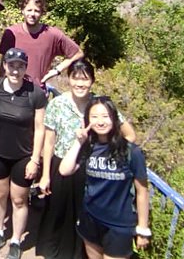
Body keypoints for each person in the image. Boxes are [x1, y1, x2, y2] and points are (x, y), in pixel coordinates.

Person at [36, 60, 137, 259]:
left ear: (92, 81)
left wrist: (110, 152)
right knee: (57, 212)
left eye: (85, 79)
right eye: (76, 78)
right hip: (61, 164)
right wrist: (45, 174)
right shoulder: (58, 104)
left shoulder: (100, 105)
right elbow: (49, 142)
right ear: (69, 79)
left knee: (84, 216)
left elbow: (129, 134)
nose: (80, 84)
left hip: (91, 167)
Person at [60, 97, 150, 259]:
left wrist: (142, 229)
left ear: (115, 118)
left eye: (105, 116)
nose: (100, 122)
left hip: (119, 225)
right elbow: (65, 170)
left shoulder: (131, 152)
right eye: (94, 117)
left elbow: (142, 191)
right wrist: (79, 142)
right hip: (90, 217)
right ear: (87, 121)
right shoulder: (89, 147)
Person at [0, 48, 47, 259]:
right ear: (5, 66)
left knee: (19, 200)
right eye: (11, 65)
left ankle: (16, 239)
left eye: (20, 66)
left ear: (25, 68)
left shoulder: (35, 93)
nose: (15, 71)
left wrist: (35, 159)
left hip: (23, 156)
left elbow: (40, 128)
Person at [0, 0, 83, 87]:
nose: (32, 14)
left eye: (37, 11)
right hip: (12, 90)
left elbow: (77, 53)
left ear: (42, 13)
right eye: (29, 10)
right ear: (22, 10)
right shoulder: (11, 33)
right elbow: (3, 62)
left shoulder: (52, 34)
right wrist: (1, 86)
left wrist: (57, 70)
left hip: (37, 93)